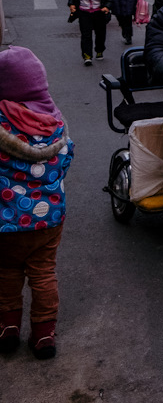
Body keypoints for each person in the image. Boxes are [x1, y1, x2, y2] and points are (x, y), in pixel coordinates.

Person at [0, 46, 75, 360]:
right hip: (49, 218)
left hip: (6, 220)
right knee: (44, 273)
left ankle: (8, 329)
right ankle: (44, 335)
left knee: (7, 272)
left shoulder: (3, 122)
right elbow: (66, 159)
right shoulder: (53, 121)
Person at [68, 0, 112, 65]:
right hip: (84, 11)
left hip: (99, 11)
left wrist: (107, 6)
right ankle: (87, 55)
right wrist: (72, 4)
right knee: (85, 34)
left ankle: (99, 50)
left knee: (100, 33)